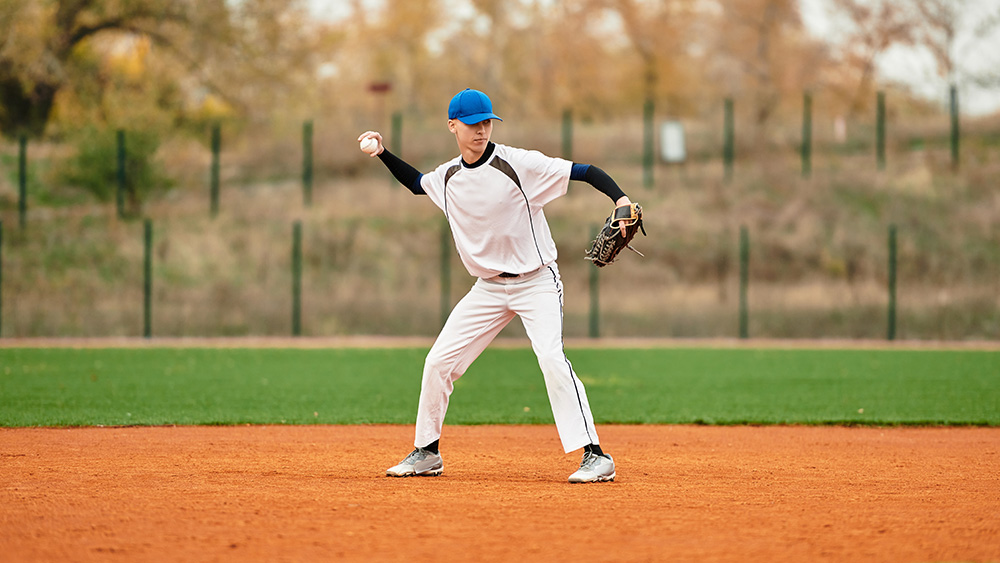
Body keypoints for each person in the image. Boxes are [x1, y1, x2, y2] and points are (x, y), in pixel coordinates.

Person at [358, 88, 631, 483]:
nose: (481, 130)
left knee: (552, 359)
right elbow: (417, 183)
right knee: (438, 362)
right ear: (452, 125)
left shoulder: (519, 163)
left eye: (487, 122)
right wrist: (383, 153)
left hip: (536, 281)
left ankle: (595, 455)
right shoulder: (449, 176)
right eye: (472, 124)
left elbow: (584, 171)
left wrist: (620, 198)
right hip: (487, 289)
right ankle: (427, 452)